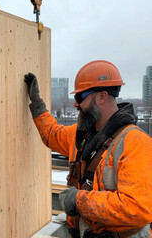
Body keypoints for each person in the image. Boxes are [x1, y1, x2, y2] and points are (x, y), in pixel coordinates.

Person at [24, 60, 152, 237]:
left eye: (80, 98)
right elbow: (51, 134)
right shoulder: (82, 136)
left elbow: (137, 208)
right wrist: (37, 104)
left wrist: (79, 200)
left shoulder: (135, 142)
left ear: (101, 97)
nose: (76, 105)